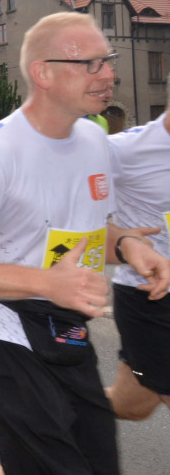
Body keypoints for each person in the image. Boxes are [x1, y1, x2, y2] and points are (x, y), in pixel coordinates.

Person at [0, 13, 170, 475]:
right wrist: (46, 282)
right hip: (2, 330)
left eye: (109, 60)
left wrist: (133, 246)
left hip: (66, 328)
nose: (109, 73)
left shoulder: (95, 140)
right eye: (92, 63)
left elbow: (93, 231)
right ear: (44, 73)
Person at [104, 98, 170, 422]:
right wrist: (126, 241)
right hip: (149, 296)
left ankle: (59, 401)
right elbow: (63, 210)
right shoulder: (123, 150)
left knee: (133, 404)